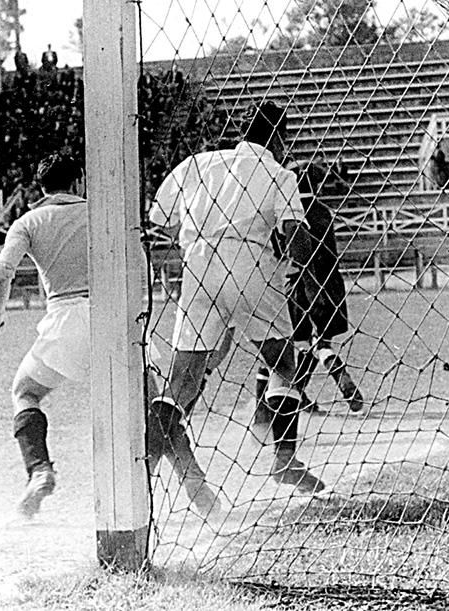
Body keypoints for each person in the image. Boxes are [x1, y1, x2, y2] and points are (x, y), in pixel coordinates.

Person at [148, 101, 328, 517]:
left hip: (196, 266)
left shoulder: (198, 163)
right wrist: (301, 264)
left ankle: (147, 478)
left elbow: (157, 221)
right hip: (248, 263)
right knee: (284, 362)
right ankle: (284, 460)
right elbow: (293, 233)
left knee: (182, 383)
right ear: (279, 137)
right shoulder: (278, 173)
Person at [0, 153, 88, 518]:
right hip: (112, 318)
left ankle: (40, 470)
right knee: (151, 402)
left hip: (65, 322)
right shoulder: (104, 212)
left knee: (25, 392)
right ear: (78, 182)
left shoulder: (29, 221)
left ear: (42, 187)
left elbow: (2, 271)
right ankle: (196, 484)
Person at [253, 160, 364, 415]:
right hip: (329, 284)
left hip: (298, 284)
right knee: (319, 340)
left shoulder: (288, 214)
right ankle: (317, 384)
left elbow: (283, 250)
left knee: (299, 344)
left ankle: (301, 390)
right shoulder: (322, 212)